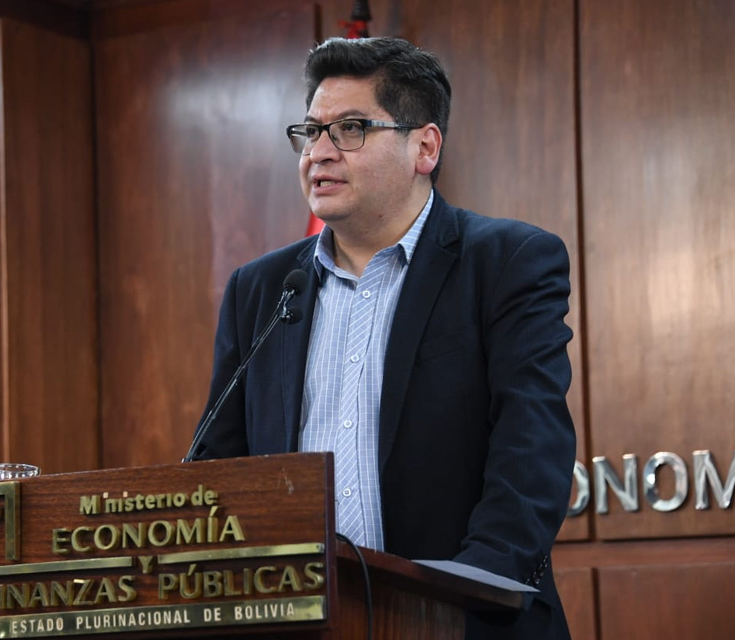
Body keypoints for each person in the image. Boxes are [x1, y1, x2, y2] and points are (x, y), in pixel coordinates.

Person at [192, 37, 576, 640]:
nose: (319, 152)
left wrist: (455, 599)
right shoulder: (263, 290)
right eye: (310, 131)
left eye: (349, 129)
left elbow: (531, 454)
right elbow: (218, 468)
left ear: (424, 146)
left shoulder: (507, 263)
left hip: (461, 624)